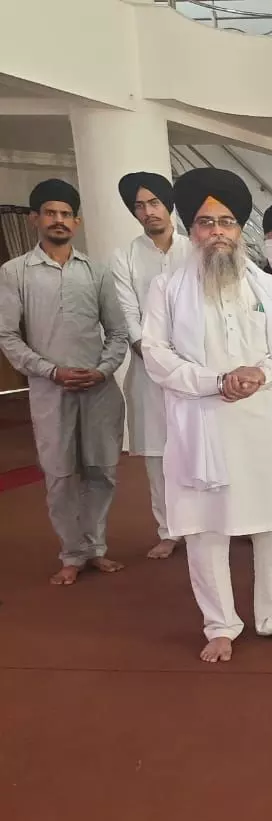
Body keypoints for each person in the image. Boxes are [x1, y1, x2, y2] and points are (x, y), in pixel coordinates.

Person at [141, 168, 272, 663]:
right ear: (191, 229)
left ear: (240, 228)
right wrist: (214, 381)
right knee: (206, 528)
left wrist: (261, 373)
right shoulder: (167, 288)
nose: (217, 232)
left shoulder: (268, 286)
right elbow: (155, 354)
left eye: (226, 222)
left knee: (271, 526)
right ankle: (220, 624)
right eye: (206, 223)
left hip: (265, 421)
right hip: (203, 423)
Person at [0, 179, 128, 585]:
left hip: (98, 390)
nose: (59, 220)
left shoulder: (97, 272)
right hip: (49, 391)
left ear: (77, 222)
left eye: (66, 214)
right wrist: (50, 371)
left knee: (101, 472)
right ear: (34, 219)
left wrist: (103, 369)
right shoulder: (14, 272)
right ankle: (71, 554)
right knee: (59, 475)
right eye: (50, 213)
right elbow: (7, 335)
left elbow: (118, 333)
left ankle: (96, 548)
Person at [111, 171, 192, 560]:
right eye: (139, 206)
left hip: (195, 366)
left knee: (200, 445)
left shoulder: (194, 249)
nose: (148, 212)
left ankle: (207, 522)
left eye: (154, 202)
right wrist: (153, 355)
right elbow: (128, 313)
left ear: (168, 205)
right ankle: (169, 530)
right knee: (158, 454)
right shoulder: (124, 256)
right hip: (148, 370)